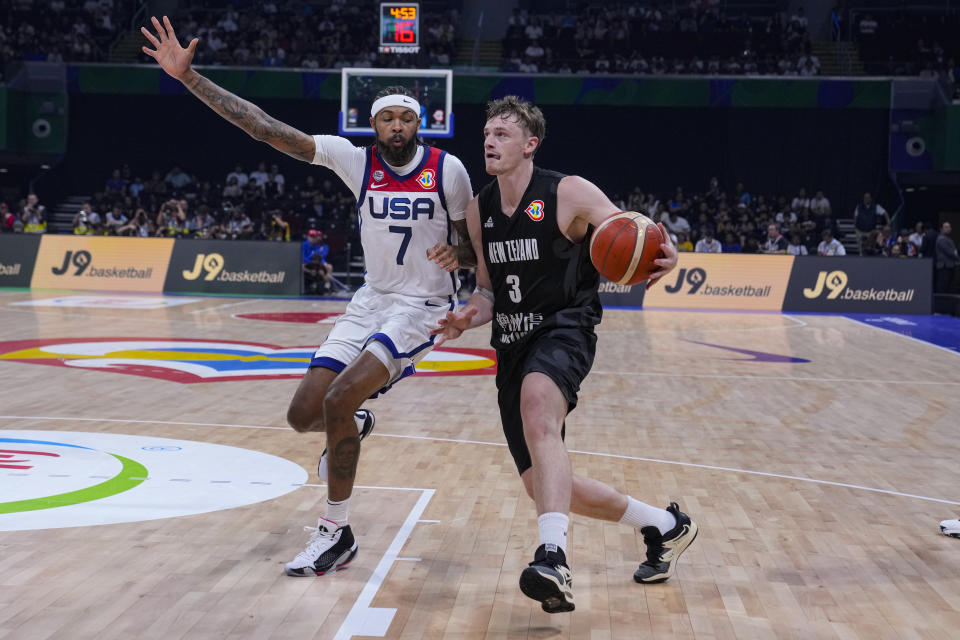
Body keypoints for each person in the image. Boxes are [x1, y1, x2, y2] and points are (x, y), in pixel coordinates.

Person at [143, 15, 475, 577]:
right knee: (303, 415)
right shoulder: (356, 161)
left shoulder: (450, 171)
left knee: (340, 400)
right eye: (387, 118)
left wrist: (459, 256)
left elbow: (472, 245)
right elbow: (268, 129)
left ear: (421, 124)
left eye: (406, 118)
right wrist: (190, 78)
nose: (397, 126)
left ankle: (335, 532)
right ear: (373, 124)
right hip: (371, 299)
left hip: (421, 307)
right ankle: (355, 426)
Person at [431, 96, 697, 614]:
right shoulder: (477, 210)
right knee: (544, 486)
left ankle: (552, 558)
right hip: (510, 341)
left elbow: (635, 234)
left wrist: (669, 252)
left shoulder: (568, 191)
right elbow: (487, 291)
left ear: (530, 144)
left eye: (503, 134)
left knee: (538, 406)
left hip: (565, 326)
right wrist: (468, 315)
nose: (490, 140)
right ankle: (665, 526)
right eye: (487, 133)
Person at [302, 229, 333, 293]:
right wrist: (311, 260)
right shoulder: (304, 244)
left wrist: (323, 263)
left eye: (314, 237)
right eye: (311, 236)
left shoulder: (316, 246)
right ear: (308, 236)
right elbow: (303, 257)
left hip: (314, 264)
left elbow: (320, 257)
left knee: (326, 268)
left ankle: (326, 286)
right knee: (319, 271)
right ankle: (323, 285)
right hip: (306, 264)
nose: (312, 238)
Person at [935, 221, 959, 293]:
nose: (948, 229)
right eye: (946, 227)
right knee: (943, 286)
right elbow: (950, 252)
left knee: (949, 286)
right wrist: (958, 258)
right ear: (941, 229)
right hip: (944, 267)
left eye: (949, 227)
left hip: (950, 266)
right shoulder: (941, 239)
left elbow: (954, 251)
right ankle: (941, 302)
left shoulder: (948, 239)